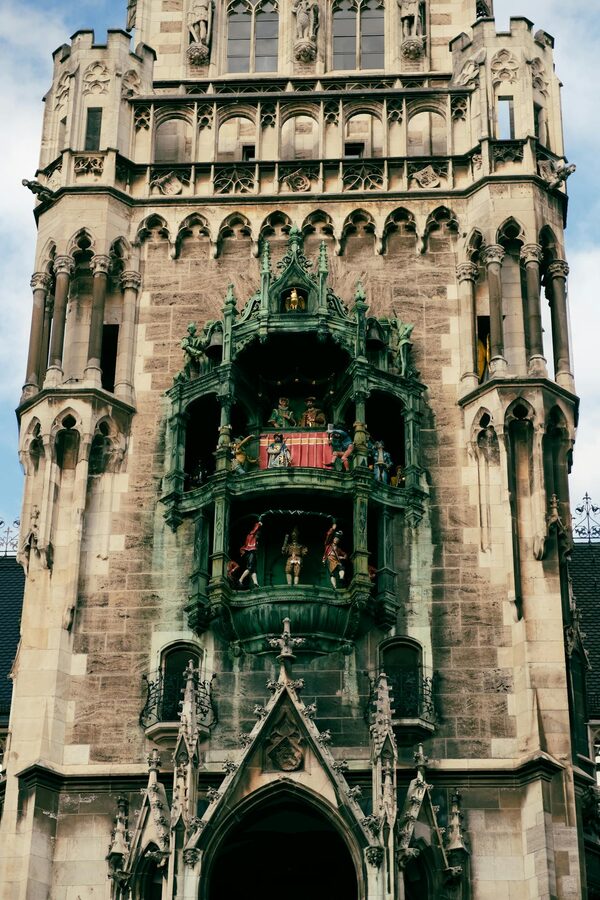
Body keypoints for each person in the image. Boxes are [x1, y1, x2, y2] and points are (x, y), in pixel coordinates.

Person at [323, 523, 347, 589]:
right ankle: (334, 586)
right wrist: (332, 529)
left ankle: (341, 577)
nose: (336, 540)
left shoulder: (338, 549)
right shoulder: (328, 545)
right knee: (332, 573)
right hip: (329, 559)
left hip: (336, 560)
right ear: (333, 539)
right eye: (335, 538)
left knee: (341, 567)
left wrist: (342, 557)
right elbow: (328, 536)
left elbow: (345, 554)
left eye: (338, 540)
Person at [238, 520, 262, 588]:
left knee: (253, 569)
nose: (258, 536)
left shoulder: (254, 540)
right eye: (258, 534)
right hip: (250, 552)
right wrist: (258, 524)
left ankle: (255, 583)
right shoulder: (251, 535)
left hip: (252, 553)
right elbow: (254, 530)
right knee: (250, 567)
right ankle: (240, 579)